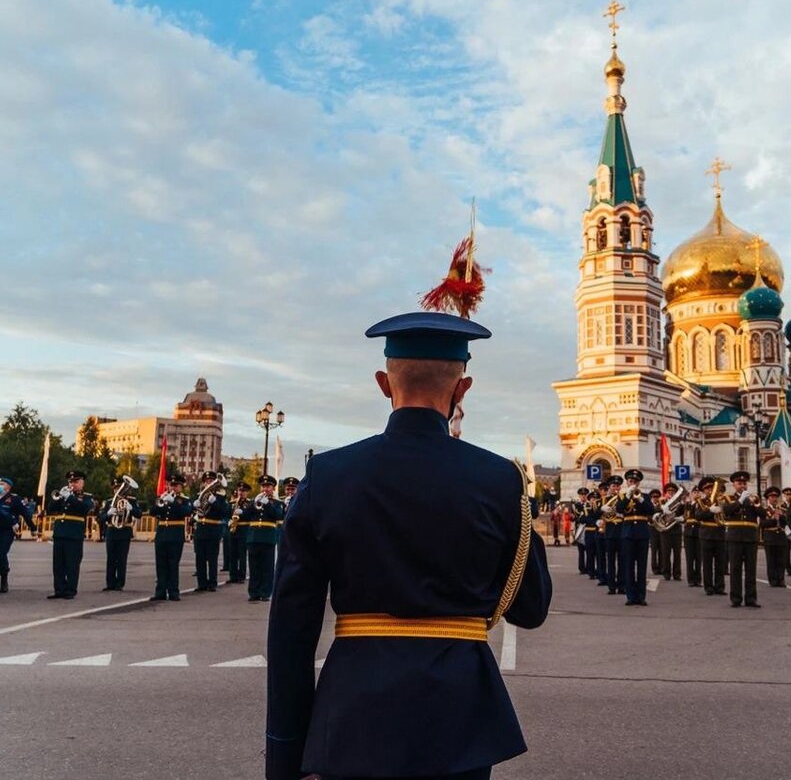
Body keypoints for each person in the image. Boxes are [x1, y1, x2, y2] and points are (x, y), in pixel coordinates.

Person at [266, 311, 552, 780]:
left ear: (383, 383)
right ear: (463, 389)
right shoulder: (499, 478)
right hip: (459, 719)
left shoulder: (329, 475)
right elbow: (531, 608)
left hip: (354, 713)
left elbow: (291, 631)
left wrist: (285, 755)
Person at [46, 470, 94, 599]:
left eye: (76, 481)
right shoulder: (63, 495)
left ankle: (70, 590)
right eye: (70, 481)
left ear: (82, 483)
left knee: (72, 564)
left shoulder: (86, 497)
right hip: (60, 533)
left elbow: (85, 509)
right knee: (58, 565)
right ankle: (59, 590)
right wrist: (58, 497)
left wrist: (70, 498)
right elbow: (50, 508)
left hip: (74, 534)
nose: (72, 484)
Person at [721, 471, 763, 608]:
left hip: (750, 537)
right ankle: (736, 598)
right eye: (739, 483)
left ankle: (751, 599)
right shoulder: (728, 498)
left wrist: (757, 505)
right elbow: (726, 511)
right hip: (735, 537)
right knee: (735, 568)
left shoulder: (753, 498)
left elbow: (763, 514)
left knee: (751, 570)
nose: (742, 486)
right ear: (734, 485)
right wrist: (739, 501)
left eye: (744, 483)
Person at [242, 474, 283, 601]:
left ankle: (265, 593)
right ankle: (253, 593)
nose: (265, 489)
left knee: (267, 567)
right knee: (254, 567)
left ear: (273, 488)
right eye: (263, 486)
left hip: (268, 538)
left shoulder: (277, 503)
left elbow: (278, 516)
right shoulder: (254, 501)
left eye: (268, 486)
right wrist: (253, 504)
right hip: (253, 537)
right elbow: (245, 515)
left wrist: (268, 505)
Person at [151, 475, 191, 601]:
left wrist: (173, 502)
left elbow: (187, 512)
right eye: (170, 485)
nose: (172, 488)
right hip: (162, 533)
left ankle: (173, 591)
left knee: (173, 564)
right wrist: (160, 503)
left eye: (175, 485)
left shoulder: (184, 500)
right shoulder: (162, 498)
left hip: (175, 534)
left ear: (181, 487)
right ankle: (160, 592)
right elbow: (152, 512)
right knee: (160, 564)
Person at [617, 469, 653, 607]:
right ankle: (631, 596)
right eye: (630, 481)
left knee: (642, 567)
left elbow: (650, 510)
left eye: (635, 482)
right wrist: (627, 496)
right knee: (629, 566)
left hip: (642, 533)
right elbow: (619, 509)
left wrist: (641, 500)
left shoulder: (645, 496)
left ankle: (641, 596)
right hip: (628, 534)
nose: (633, 483)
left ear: (638, 483)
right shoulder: (622, 496)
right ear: (627, 482)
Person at [0, 477, 28, 593]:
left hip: (7, 531)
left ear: (8, 487)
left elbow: (25, 513)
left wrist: (33, 528)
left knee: (1, 555)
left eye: (2, 483)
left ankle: (4, 581)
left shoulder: (14, 499)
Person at [100, 475, 141, 591]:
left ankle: (119, 583)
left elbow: (139, 514)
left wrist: (131, 508)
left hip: (124, 532)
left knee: (122, 559)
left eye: (120, 488)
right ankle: (110, 583)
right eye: (116, 488)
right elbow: (100, 518)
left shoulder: (131, 500)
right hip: (111, 531)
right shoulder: (109, 502)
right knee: (111, 559)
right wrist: (108, 514)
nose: (118, 491)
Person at [191, 471, 230, 592]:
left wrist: (215, 502)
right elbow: (195, 513)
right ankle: (201, 583)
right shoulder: (200, 495)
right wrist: (194, 507)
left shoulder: (220, 496)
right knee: (200, 558)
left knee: (212, 558)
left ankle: (212, 583)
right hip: (200, 529)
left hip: (213, 529)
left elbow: (225, 512)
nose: (209, 483)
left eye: (212, 481)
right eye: (207, 481)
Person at [696, 477, 727, 596]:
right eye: (707, 489)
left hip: (719, 533)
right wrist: (710, 511)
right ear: (704, 491)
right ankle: (708, 587)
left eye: (712, 488)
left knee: (720, 563)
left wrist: (721, 510)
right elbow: (698, 516)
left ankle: (720, 587)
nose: (710, 491)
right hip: (706, 534)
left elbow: (726, 515)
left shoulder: (721, 501)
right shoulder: (701, 502)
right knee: (707, 563)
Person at [600, 475, 624, 595]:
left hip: (621, 531)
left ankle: (621, 585)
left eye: (617, 486)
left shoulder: (623, 498)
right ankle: (611, 586)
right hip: (609, 532)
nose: (616, 488)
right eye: (613, 486)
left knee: (622, 560)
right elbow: (596, 513)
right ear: (609, 487)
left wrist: (622, 515)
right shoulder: (604, 500)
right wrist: (601, 510)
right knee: (611, 561)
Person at [760, 487, 789, 587]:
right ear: (768, 498)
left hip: (781, 536)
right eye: (772, 497)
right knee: (771, 560)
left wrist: (781, 517)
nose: (774, 499)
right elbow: (762, 524)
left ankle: (781, 579)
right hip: (770, 536)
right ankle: (772, 580)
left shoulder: (782, 509)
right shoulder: (764, 510)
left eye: (776, 497)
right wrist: (773, 519)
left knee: (781, 560)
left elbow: (786, 523)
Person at [228, 482, 253, 584]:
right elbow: (227, 513)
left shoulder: (250, 503)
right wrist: (229, 520)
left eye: (243, 491)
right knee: (232, 553)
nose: (241, 493)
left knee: (242, 554)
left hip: (244, 528)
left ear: (247, 492)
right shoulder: (233, 503)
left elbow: (251, 515)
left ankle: (241, 576)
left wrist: (243, 512)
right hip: (233, 529)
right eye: (239, 491)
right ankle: (232, 575)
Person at [656, 482, 682, 581]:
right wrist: (661, 508)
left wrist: (680, 517)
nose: (670, 492)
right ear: (666, 492)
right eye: (669, 491)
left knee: (677, 553)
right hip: (665, 531)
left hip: (676, 530)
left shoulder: (678, 503)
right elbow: (655, 513)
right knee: (665, 553)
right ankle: (666, 573)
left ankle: (677, 574)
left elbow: (682, 513)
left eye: (673, 491)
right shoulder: (661, 501)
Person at [682, 483, 702, 587]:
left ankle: (698, 580)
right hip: (688, 533)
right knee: (690, 558)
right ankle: (690, 580)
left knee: (698, 558)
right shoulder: (687, 505)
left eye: (698, 492)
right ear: (691, 494)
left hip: (699, 532)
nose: (696, 494)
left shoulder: (702, 504)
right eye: (694, 492)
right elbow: (681, 514)